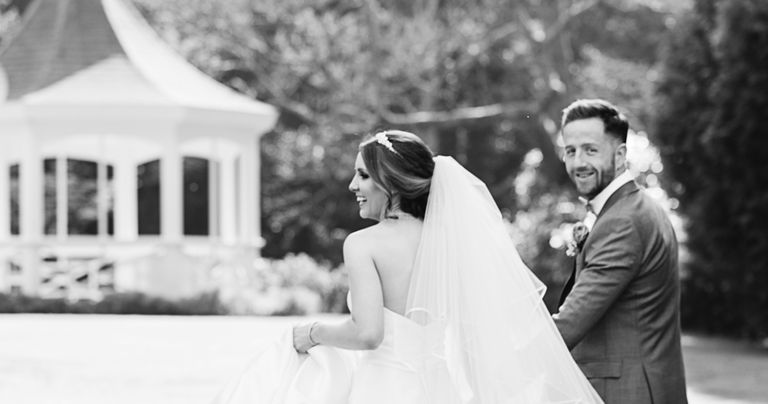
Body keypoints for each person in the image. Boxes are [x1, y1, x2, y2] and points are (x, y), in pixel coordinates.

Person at [212, 129, 603, 404]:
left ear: (392, 181)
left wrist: (309, 334)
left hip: (383, 389)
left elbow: (367, 334)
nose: (352, 185)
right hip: (441, 388)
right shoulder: (450, 244)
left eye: (363, 175)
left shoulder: (363, 244)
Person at [553, 99, 688, 404]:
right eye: (570, 151)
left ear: (620, 155)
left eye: (591, 149)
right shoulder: (629, 210)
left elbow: (568, 325)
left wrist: (495, 344)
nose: (578, 162)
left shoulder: (622, 222)